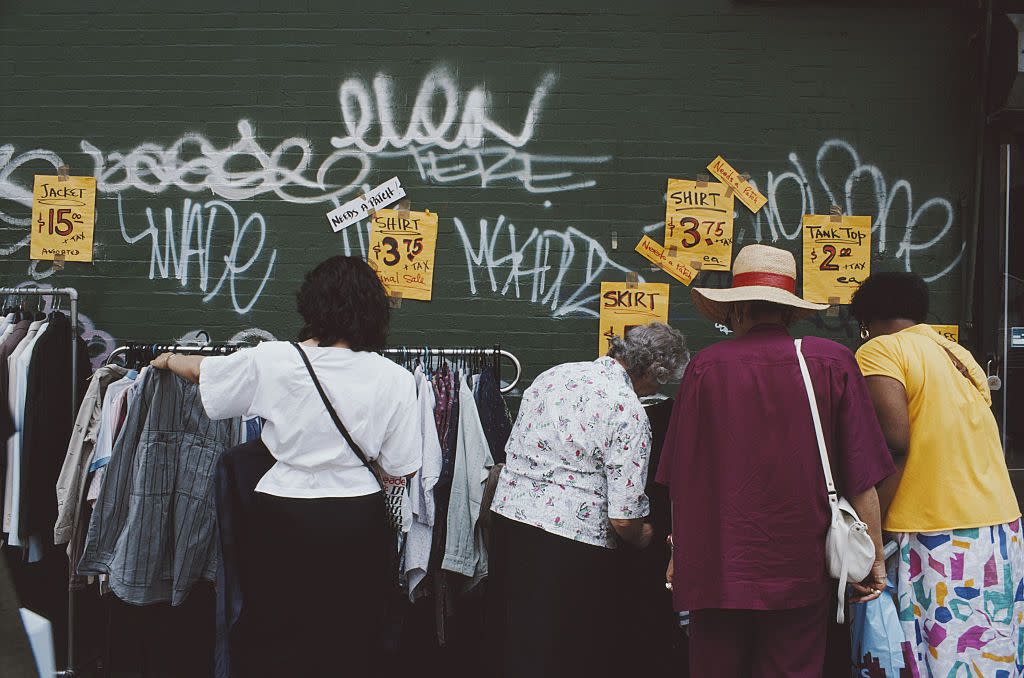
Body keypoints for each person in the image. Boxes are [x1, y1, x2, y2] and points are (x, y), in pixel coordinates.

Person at [151, 255, 422, 677]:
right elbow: (400, 465)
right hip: (356, 517)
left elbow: (207, 373)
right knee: (349, 633)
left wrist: (168, 359)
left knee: (276, 629)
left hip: (281, 510)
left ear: (312, 305)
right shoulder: (396, 379)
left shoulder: (275, 360)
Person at [657, 244, 895, 678]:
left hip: (715, 565)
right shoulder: (831, 362)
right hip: (799, 566)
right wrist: (875, 559)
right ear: (789, 312)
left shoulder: (705, 367)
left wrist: (679, 553)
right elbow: (862, 478)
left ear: (736, 310)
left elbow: (681, 479)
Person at [491, 322, 689, 678]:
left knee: (517, 637)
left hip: (510, 522)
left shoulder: (553, 375)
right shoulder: (629, 411)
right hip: (571, 542)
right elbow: (623, 518)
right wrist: (645, 535)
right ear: (653, 374)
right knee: (565, 648)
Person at [851, 272, 1022, 676]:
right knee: (986, 659)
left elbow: (895, 444)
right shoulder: (958, 354)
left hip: (937, 535)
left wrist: (868, 530)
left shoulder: (878, 351)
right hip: (999, 530)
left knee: (930, 658)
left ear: (865, 320)